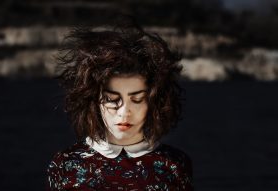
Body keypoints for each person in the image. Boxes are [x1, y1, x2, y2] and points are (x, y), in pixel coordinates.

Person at [47, 21, 193, 190]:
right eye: (111, 99)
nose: (124, 113)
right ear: (93, 99)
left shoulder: (175, 164)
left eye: (137, 99)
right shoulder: (65, 163)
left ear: (154, 102)